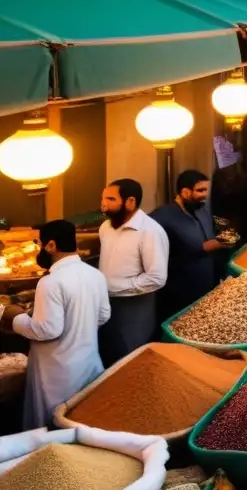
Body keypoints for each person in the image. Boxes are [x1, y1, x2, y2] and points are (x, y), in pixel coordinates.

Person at [1, 220, 110, 429]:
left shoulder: (51, 282)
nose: (39, 249)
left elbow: (47, 329)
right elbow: (103, 315)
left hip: (56, 374)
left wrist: (12, 317)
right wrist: (79, 325)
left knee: (52, 428)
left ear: (51, 245)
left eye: (40, 244)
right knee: (82, 421)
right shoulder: (95, 275)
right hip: (88, 364)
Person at [97, 178, 168, 366]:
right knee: (108, 355)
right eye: (103, 198)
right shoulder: (105, 227)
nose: (103, 204)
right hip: (106, 303)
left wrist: (115, 288)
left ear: (130, 202)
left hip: (134, 307)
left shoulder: (150, 231)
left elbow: (156, 278)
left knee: (131, 359)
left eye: (111, 199)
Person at [151, 170, 231, 321]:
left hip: (206, 287)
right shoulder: (164, 215)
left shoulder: (202, 210)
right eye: (200, 190)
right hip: (180, 290)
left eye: (206, 190)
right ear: (185, 192)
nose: (204, 195)